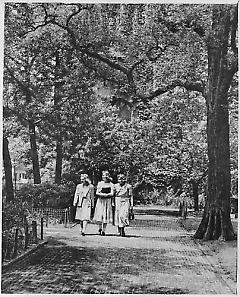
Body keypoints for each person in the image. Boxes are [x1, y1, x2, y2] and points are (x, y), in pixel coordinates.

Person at [93, 170, 114, 236]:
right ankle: (100, 227)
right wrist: (102, 194)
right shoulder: (100, 183)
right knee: (100, 214)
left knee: (106, 214)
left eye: (105, 176)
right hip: (100, 201)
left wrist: (107, 195)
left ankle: (104, 230)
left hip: (107, 201)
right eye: (103, 176)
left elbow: (112, 193)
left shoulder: (111, 184)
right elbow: (97, 192)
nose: (104, 177)